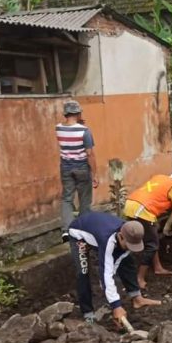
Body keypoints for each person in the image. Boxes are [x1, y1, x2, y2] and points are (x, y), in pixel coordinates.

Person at [67, 211, 160, 325]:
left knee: (128, 261)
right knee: (83, 272)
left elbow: (116, 265)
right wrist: (116, 306)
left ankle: (137, 298)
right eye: (128, 245)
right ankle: (88, 314)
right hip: (78, 234)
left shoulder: (132, 232)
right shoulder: (107, 241)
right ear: (121, 236)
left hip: (98, 228)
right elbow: (106, 274)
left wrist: (115, 303)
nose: (130, 248)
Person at [123, 172, 172, 289]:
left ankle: (157, 267)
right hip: (142, 210)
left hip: (130, 204)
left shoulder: (160, 178)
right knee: (152, 245)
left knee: (152, 238)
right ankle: (140, 278)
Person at [57, 100, 98, 242]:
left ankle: (66, 230)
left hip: (66, 168)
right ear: (78, 113)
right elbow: (90, 154)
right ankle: (82, 229)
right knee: (85, 200)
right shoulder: (84, 131)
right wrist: (95, 174)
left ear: (66, 114)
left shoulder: (58, 128)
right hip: (81, 168)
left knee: (67, 198)